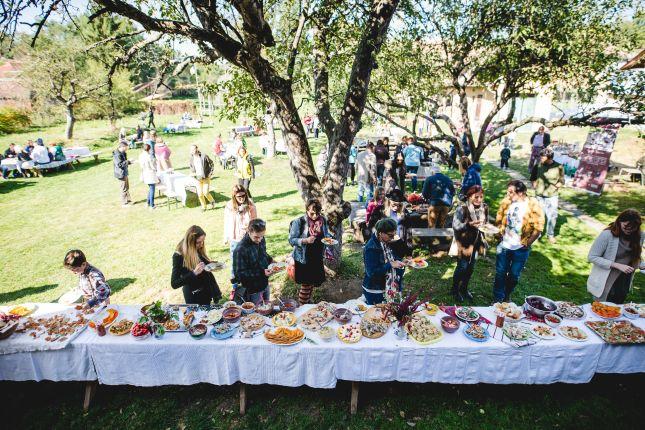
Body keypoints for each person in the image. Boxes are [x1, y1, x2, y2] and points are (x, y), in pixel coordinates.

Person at [493, 180, 544, 302]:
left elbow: (539, 226)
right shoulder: (506, 201)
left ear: (521, 193)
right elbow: (499, 218)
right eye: (507, 192)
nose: (507, 195)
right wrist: (499, 233)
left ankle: (506, 296)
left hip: (520, 248)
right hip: (504, 245)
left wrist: (528, 243)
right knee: (500, 273)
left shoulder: (533, 205)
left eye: (511, 192)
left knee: (514, 275)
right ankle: (497, 298)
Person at [587, 209, 643, 304]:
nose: (629, 230)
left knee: (616, 308)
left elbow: (634, 257)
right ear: (619, 221)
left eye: (633, 228)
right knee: (601, 308)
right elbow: (592, 257)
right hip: (606, 279)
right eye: (626, 226)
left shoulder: (640, 235)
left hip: (624, 279)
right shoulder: (607, 235)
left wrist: (640, 264)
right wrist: (617, 265)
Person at [289, 199, 331, 305]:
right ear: (306, 210)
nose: (315, 216)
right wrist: (305, 240)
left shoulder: (323, 220)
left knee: (312, 283)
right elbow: (291, 240)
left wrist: (329, 239)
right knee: (306, 284)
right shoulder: (299, 222)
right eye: (312, 213)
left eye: (318, 213)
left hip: (317, 256)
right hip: (304, 258)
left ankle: (307, 301)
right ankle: (303, 307)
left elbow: (326, 234)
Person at [451, 185, 488, 302]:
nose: (479, 199)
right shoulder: (462, 208)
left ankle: (464, 288)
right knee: (462, 267)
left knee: (471, 268)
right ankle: (455, 289)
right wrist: (469, 224)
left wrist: (485, 226)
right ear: (469, 196)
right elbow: (456, 226)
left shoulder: (484, 207)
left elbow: (486, 223)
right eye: (476, 197)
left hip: (477, 242)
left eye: (481, 197)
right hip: (464, 243)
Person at [171, 225, 222, 305]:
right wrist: (194, 273)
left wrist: (210, 264)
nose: (201, 245)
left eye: (203, 241)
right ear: (190, 242)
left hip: (205, 290)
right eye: (198, 242)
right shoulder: (178, 256)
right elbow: (174, 283)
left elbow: (201, 261)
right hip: (194, 296)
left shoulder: (196, 247)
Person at [224, 185, 258, 300]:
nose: (242, 198)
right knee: (235, 264)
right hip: (235, 238)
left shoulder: (251, 203)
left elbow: (254, 221)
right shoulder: (229, 206)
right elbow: (227, 222)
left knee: (248, 262)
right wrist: (226, 236)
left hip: (247, 238)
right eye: (239, 197)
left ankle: (248, 285)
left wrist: (248, 209)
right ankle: (235, 288)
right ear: (234, 196)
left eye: (244, 195)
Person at [362, 218, 405, 304]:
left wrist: (401, 261)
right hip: (375, 290)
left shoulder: (385, 241)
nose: (393, 237)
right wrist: (391, 264)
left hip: (386, 285)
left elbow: (391, 256)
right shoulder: (371, 248)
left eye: (394, 234)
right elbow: (372, 273)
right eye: (390, 235)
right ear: (380, 233)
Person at [232, 219, 274, 304]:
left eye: (262, 236)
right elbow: (239, 274)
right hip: (253, 289)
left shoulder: (261, 239)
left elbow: (263, 253)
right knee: (257, 312)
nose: (259, 240)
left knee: (267, 306)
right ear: (249, 232)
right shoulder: (240, 250)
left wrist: (271, 260)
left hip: (265, 283)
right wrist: (262, 272)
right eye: (256, 237)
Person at [530, 147, 564, 244]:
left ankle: (550, 235)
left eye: (543, 157)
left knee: (552, 216)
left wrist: (555, 187)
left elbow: (561, 181)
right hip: (539, 195)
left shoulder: (559, 167)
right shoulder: (538, 166)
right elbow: (532, 177)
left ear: (549, 158)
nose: (541, 159)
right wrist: (534, 185)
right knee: (539, 216)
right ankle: (536, 235)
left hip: (552, 196)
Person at [189, 144, 216, 211]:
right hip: (197, 179)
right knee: (200, 194)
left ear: (197, 149)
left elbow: (211, 164)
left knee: (205, 192)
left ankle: (212, 201)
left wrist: (210, 173)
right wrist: (192, 174)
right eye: (191, 150)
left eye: (193, 149)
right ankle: (204, 207)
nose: (192, 151)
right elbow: (191, 167)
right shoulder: (191, 158)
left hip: (205, 177)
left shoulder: (204, 156)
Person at [113, 141, 132, 207]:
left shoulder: (123, 153)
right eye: (126, 147)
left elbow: (125, 162)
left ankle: (129, 201)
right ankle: (124, 203)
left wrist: (130, 162)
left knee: (127, 187)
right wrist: (128, 161)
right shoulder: (117, 154)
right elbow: (119, 164)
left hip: (125, 172)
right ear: (122, 147)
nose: (127, 148)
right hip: (121, 173)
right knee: (123, 188)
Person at [138, 143, 158, 209]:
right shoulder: (148, 156)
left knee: (150, 188)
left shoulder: (140, 156)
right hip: (150, 173)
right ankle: (152, 205)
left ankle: (148, 203)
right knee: (152, 189)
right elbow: (152, 167)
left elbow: (141, 165)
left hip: (145, 173)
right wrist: (155, 164)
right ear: (149, 149)